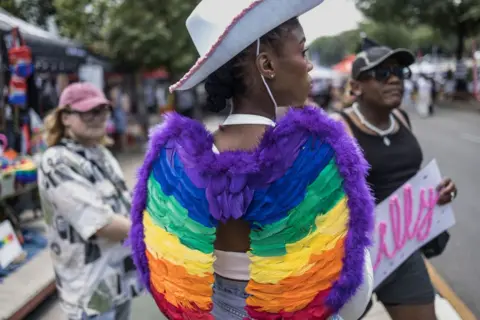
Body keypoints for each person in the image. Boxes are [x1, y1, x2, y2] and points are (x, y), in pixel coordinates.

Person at [130, 1, 374, 319]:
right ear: (267, 64)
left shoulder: (173, 164)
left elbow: (161, 264)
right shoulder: (318, 154)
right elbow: (350, 287)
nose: (310, 66)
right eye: (302, 52)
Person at [332, 46, 458, 320]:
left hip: (400, 253)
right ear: (356, 86)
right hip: (352, 261)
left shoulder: (401, 117)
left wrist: (437, 193)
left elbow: (407, 178)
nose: (395, 79)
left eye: (399, 72)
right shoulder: (339, 128)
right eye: (382, 73)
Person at [38, 83, 140, 320]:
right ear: (65, 117)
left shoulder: (101, 153)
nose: (98, 118)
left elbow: (124, 203)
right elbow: (101, 224)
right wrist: (160, 231)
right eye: (88, 112)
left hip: (120, 283)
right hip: (90, 293)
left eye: (102, 110)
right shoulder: (57, 161)